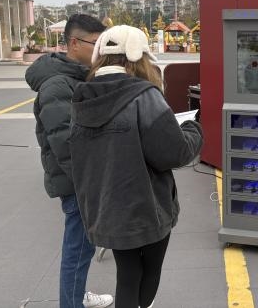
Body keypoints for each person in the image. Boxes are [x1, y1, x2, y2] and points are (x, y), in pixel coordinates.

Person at [69, 25, 203, 308]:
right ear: (138, 57)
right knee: (150, 271)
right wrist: (193, 129)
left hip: (104, 207)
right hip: (146, 207)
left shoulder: (82, 96)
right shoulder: (144, 95)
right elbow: (174, 153)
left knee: (127, 274)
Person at [25, 14, 113, 308]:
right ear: (74, 43)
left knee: (82, 247)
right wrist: (89, 184)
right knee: (78, 249)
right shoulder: (57, 85)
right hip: (78, 182)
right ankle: (71, 302)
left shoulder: (77, 76)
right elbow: (65, 144)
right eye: (95, 43)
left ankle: (76, 295)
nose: (99, 50)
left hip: (84, 178)